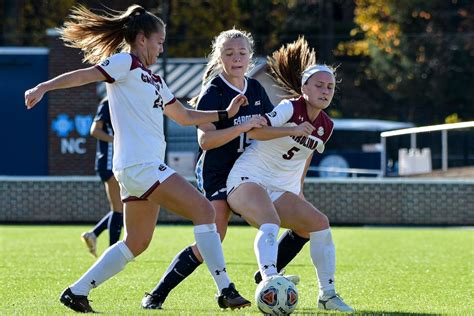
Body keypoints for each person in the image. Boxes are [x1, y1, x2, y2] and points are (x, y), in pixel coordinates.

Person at [24, 5, 251, 313]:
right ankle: (226, 290)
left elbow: (183, 116)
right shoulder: (125, 63)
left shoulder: (154, 79)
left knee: (137, 242)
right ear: (142, 39)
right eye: (159, 42)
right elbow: (85, 75)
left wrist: (226, 114)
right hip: (140, 165)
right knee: (204, 211)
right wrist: (44, 86)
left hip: (137, 169)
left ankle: (76, 292)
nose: (161, 48)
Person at [142, 29, 315, 310]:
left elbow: (268, 128)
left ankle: (267, 275)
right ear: (219, 58)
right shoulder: (214, 91)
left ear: (251, 56)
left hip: (253, 172)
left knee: (299, 223)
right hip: (217, 171)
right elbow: (206, 141)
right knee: (216, 234)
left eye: (242, 53)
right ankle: (157, 294)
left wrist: (295, 131)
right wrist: (241, 127)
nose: (237, 58)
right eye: (229, 53)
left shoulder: (256, 89)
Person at [225, 37, 355, 312]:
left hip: (282, 187)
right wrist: (292, 129)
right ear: (304, 87)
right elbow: (255, 131)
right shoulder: (289, 108)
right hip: (248, 178)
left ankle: (327, 295)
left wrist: (299, 190)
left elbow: (305, 157)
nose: (325, 91)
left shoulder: (326, 125)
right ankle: (270, 280)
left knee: (319, 223)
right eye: (319, 85)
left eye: (330, 86)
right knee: (269, 221)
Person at [81, 98, 123, 258]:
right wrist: (116, 140)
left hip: (119, 161)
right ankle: (113, 253)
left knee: (122, 208)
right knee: (118, 209)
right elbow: (95, 130)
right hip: (108, 162)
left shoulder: (124, 101)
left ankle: (94, 234)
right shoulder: (108, 103)